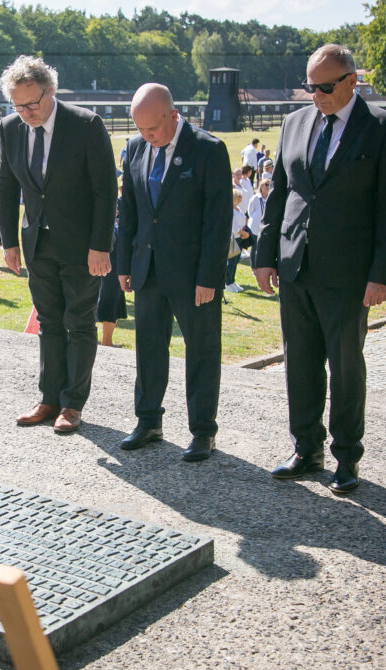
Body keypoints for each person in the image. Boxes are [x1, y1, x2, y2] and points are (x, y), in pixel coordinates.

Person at [253, 44, 386, 495]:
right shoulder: (294, 123)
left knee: (345, 366)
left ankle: (346, 456)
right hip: (295, 264)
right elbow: (279, 195)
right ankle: (306, 448)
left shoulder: (383, 129)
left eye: (324, 86)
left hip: (349, 273)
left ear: (351, 81)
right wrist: (264, 255)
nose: (315, 95)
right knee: (298, 363)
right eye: (309, 86)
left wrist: (382, 273)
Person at [0, 55, 117, 434]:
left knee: (79, 322)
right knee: (48, 321)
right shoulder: (10, 128)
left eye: (33, 103)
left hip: (82, 247)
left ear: (51, 91)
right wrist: (9, 241)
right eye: (18, 105)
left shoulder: (85, 124)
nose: (27, 112)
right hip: (37, 243)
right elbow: (6, 185)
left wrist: (101, 245)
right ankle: (48, 398)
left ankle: (72, 404)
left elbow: (105, 189)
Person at [116, 83, 232, 461]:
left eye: (152, 129)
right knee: (148, 348)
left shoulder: (208, 150)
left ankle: (202, 431)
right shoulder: (135, 149)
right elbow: (129, 211)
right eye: (140, 129)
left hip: (193, 274)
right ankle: (148, 419)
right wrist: (123, 264)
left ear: (173, 115)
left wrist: (209, 277)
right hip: (147, 269)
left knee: (200, 349)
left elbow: (218, 221)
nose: (146, 137)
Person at [97, 194, 126, 347]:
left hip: (117, 258)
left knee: (112, 298)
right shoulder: (116, 202)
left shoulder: (127, 203)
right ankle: (103, 340)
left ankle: (106, 340)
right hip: (104, 254)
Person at [225, 189, 250, 293]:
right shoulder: (230, 210)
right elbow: (233, 228)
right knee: (230, 262)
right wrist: (242, 233)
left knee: (235, 261)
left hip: (240, 238)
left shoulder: (239, 209)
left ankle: (232, 281)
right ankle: (227, 282)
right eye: (239, 196)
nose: (241, 199)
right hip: (233, 238)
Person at [246, 178, 270, 264]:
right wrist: (256, 217)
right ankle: (253, 266)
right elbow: (250, 211)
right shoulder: (255, 198)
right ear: (261, 186)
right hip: (255, 226)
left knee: (263, 247)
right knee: (254, 246)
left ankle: (261, 265)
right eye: (266, 185)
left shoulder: (271, 197)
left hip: (266, 226)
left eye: (269, 185)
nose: (268, 187)